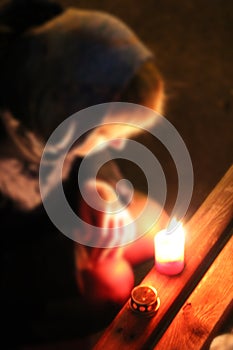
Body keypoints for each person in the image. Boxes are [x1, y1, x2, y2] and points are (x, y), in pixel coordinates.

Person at [0, 0, 168, 346]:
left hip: (59, 211)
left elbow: (88, 152)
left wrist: (99, 188)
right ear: (60, 107)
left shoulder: (45, 52)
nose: (115, 145)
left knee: (158, 225)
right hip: (21, 259)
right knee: (114, 285)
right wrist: (69, 258)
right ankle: (41, 331)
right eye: (106, 134)